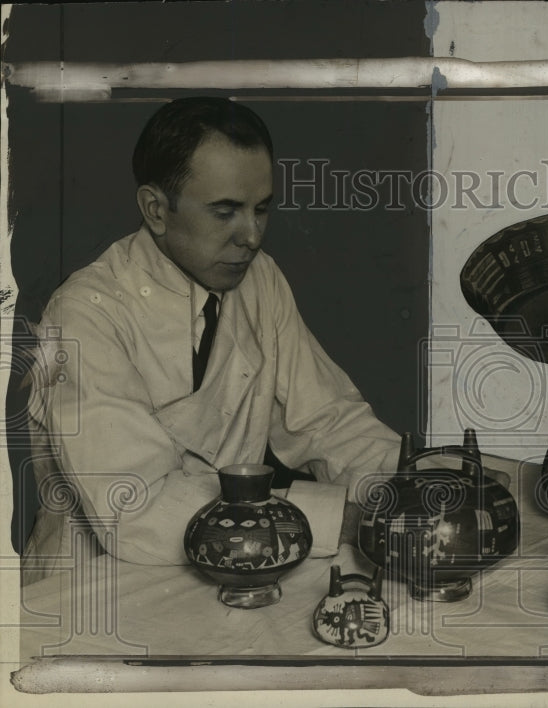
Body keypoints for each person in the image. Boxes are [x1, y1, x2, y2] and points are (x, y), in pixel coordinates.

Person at [22, 97, 401, 583]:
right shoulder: (84, 314)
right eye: (226, 212)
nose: (252, 236)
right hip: (98, 587)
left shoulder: (259, 280)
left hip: (230, 567)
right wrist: (339, 519)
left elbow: (326, 420)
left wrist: (407, 482)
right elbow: (135, 508)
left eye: (261, 209)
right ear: (156, 209)